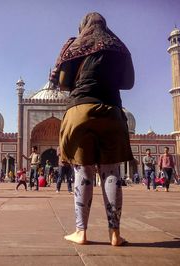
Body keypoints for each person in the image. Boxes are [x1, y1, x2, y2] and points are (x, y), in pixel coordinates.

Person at [50, 12, 134, 246]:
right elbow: (128, 83)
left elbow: (64, 82)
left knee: (83, 172)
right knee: (111, 173)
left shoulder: (76, 45)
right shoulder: (119, 46)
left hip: (80, 111)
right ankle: (115, 233)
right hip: (112, 112)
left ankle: (81, 232)